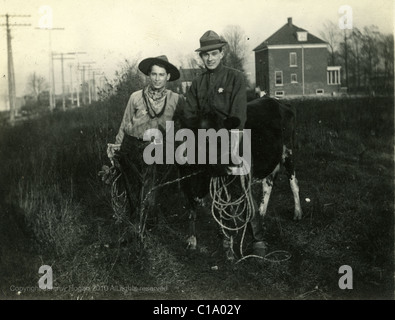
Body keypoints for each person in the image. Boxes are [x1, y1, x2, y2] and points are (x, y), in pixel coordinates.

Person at [183, 30, 267, 258]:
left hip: (232, 138)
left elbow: (238, 115)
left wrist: (230, 148)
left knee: (241, 187)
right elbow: (189, 114)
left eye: (214, 53)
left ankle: (258, 238)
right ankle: (226, 239)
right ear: (201, 57)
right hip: (205, 142)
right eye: (205, 55)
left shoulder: (235, 78)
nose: (210, 59)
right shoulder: (197, 84)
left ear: (222, 53)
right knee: (213, 191)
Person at [109, 55, 184, 216]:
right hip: (133, 149)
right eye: (154, 74)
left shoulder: (176, 100)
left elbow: (187, 122)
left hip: (158, 152)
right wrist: (118, 147)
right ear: (149, 75)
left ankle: (147, 226)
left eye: (161, 75)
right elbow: (125, 123)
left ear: (168, 77)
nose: (157, 79)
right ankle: (135, 226)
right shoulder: (135, 97)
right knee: (132, 191)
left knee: (152, 194)